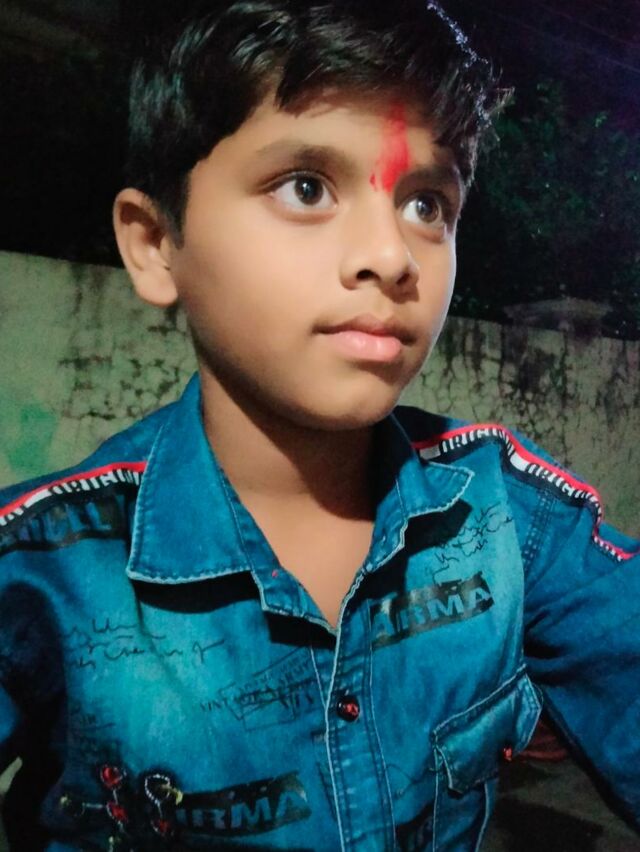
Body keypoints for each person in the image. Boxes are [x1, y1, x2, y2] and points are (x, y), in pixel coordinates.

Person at [0, 1, 638, 849]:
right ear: (155, 244)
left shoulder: (509, 521)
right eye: (306, 187)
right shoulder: (45, 568)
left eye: (427, 204)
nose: (392, 256)